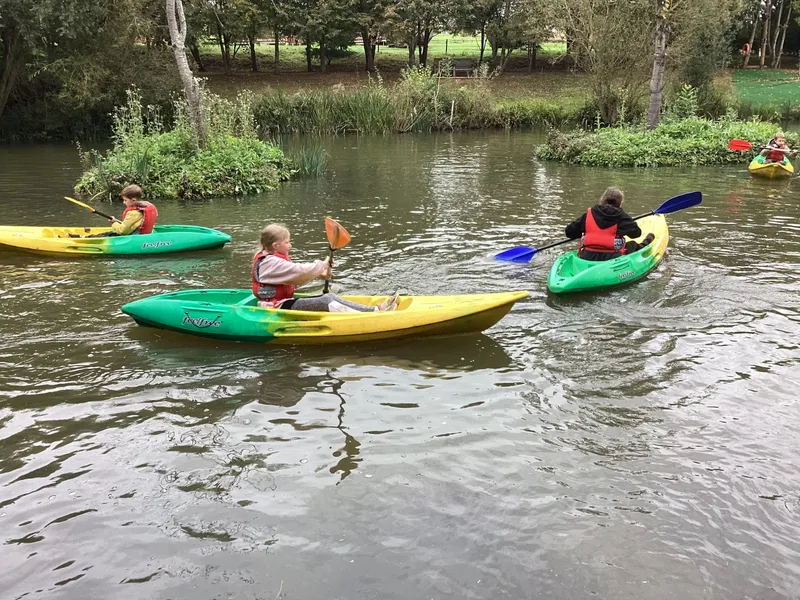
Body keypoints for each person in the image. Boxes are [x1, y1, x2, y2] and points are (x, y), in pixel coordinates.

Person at [252, 223, 399, 312]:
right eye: (287, 242)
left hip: (281, 303)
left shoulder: (272, 259)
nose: (290, 245)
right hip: (274, 307)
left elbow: (293, 278)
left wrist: (320, 274)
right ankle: (375, 312)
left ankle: (375, 308)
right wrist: (323, 264)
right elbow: (300, 270)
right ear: (276, 246)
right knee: (326, 301)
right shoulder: (268, 263)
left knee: (329, 296)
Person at [564, 187, 655, 262]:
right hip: (612, 258)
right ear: (619, 203)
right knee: (632, 244)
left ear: (602, 200)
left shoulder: (590, 213)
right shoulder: (621, 216)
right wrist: (628, 224)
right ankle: (647, 241)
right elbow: (636, 233)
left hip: (587, 256)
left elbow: (569, 232)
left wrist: (581, 232)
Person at [76, 184, 158, 238]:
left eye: (125, 200)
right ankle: (82, 237)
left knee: (107, 235)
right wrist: (116, 221)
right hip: (143, 235)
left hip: (134, 238)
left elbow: (122, 231)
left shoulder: (133, 213)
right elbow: (133, 224)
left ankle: (81, 238)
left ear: (133, 200)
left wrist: (113, 223)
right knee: (108, 234)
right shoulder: (147, 206)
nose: (123, 202)